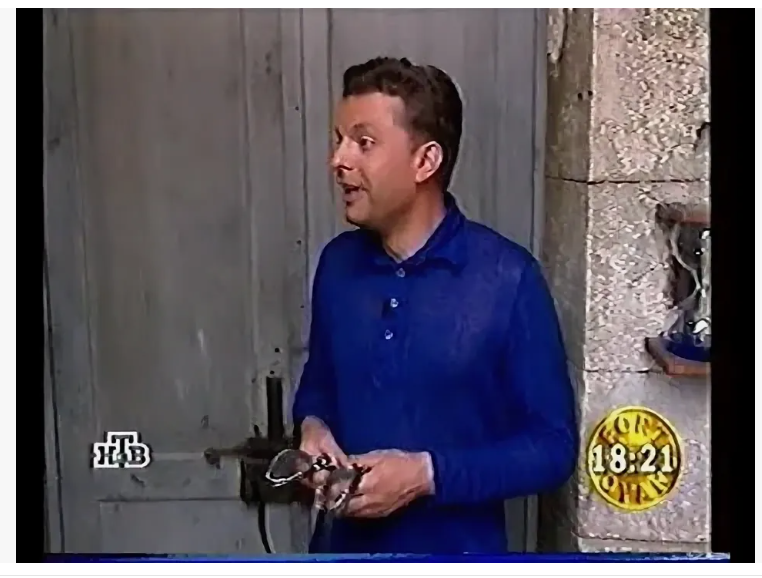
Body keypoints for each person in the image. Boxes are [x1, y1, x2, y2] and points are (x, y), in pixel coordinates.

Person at [292, 56, 578, 554]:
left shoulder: (508, 279)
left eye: (363, 142)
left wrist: (426, 475)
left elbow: (553, 448)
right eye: (338, 139)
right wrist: (312, 427)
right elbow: (319, 385)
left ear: (425, 161)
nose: (338, 160)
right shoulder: (337, 266)